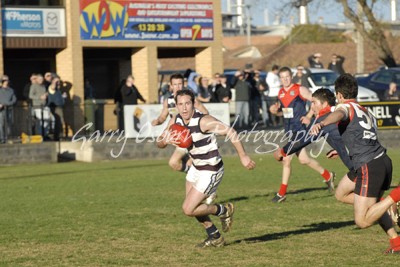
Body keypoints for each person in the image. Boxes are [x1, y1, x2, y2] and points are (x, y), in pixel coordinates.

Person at [310, 73, 400, 254]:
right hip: (376, 161)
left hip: (369, 166)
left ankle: (396, 196)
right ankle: (396, 243)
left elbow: (339, 114)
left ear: (340, 95)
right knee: (341, 193)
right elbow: (362, 136)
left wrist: (322, 123)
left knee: (363, 221)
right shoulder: (364, 110)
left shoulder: (345, 108)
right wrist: (344, 150)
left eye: (337, 96)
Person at [156, 89, 256, 247]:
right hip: (196, 168)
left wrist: (243, 156)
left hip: (211, 170)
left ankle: (223, 210)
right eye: (180, 104)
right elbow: (159, 142)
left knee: (188, 209)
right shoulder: (176, 120)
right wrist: (164, 141)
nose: (184, 108)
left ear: (193, 103)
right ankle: (215, 236)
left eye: (187, 103)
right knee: (196, 207)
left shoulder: (204, 121)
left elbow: (231, 131)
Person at [269, 67, 335, 203]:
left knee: (286, 159)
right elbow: (285, 113)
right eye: (283, 77)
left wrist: (309, 116)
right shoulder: (280, 93)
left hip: (299, 129)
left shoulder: (300, 89)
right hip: (289, 130)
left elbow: (315, 100)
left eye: (287, 76)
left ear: (291, 76)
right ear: (280, 79)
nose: (285, 79)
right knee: (304, 159)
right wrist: (275, 112)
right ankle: (328, 175)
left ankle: (281, 194)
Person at [274, 88, 353, 172]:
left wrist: (282, 152)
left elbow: (302, 140)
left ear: (325, 104)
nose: (312, 107)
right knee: (344, 185)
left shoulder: (322, 120)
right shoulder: (339, 114)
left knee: (356, 181)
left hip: (359, 164)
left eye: (314, 102)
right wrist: (339, 149)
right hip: (361, 160)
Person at [152, 73, 208, 173]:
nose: (178, 87)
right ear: (171, 86)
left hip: (193, 136)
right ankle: (193, 172)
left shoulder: (191, 100)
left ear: (183, 84)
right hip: (180, 137)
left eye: (180, 84)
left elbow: (205, 114)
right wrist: (157, 121)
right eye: (175, 84)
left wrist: (198, 127)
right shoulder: (168, 101)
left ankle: (195, 173)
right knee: (175, 163)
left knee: (174, 161)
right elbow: (163, 116)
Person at [47, 75, 66, 141]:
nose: (58, 82)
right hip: (55, 107)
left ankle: (58, 135)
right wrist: (54, 81)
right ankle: (57, 136)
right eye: (57, 81)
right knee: (58, 121)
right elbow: (53, 87)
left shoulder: (58, 90)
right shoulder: (51, 88)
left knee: (60, 122)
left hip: (59, 106)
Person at [0, 75, 17, 143]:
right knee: (1, 124)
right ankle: (1, 138)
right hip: (1, 110)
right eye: (4, 80)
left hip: (9, 109)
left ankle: (7, 138)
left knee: (9, 124)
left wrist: (7, 104)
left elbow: (14, 100)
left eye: (7, 80)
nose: (6, 82)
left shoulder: (11, 90)